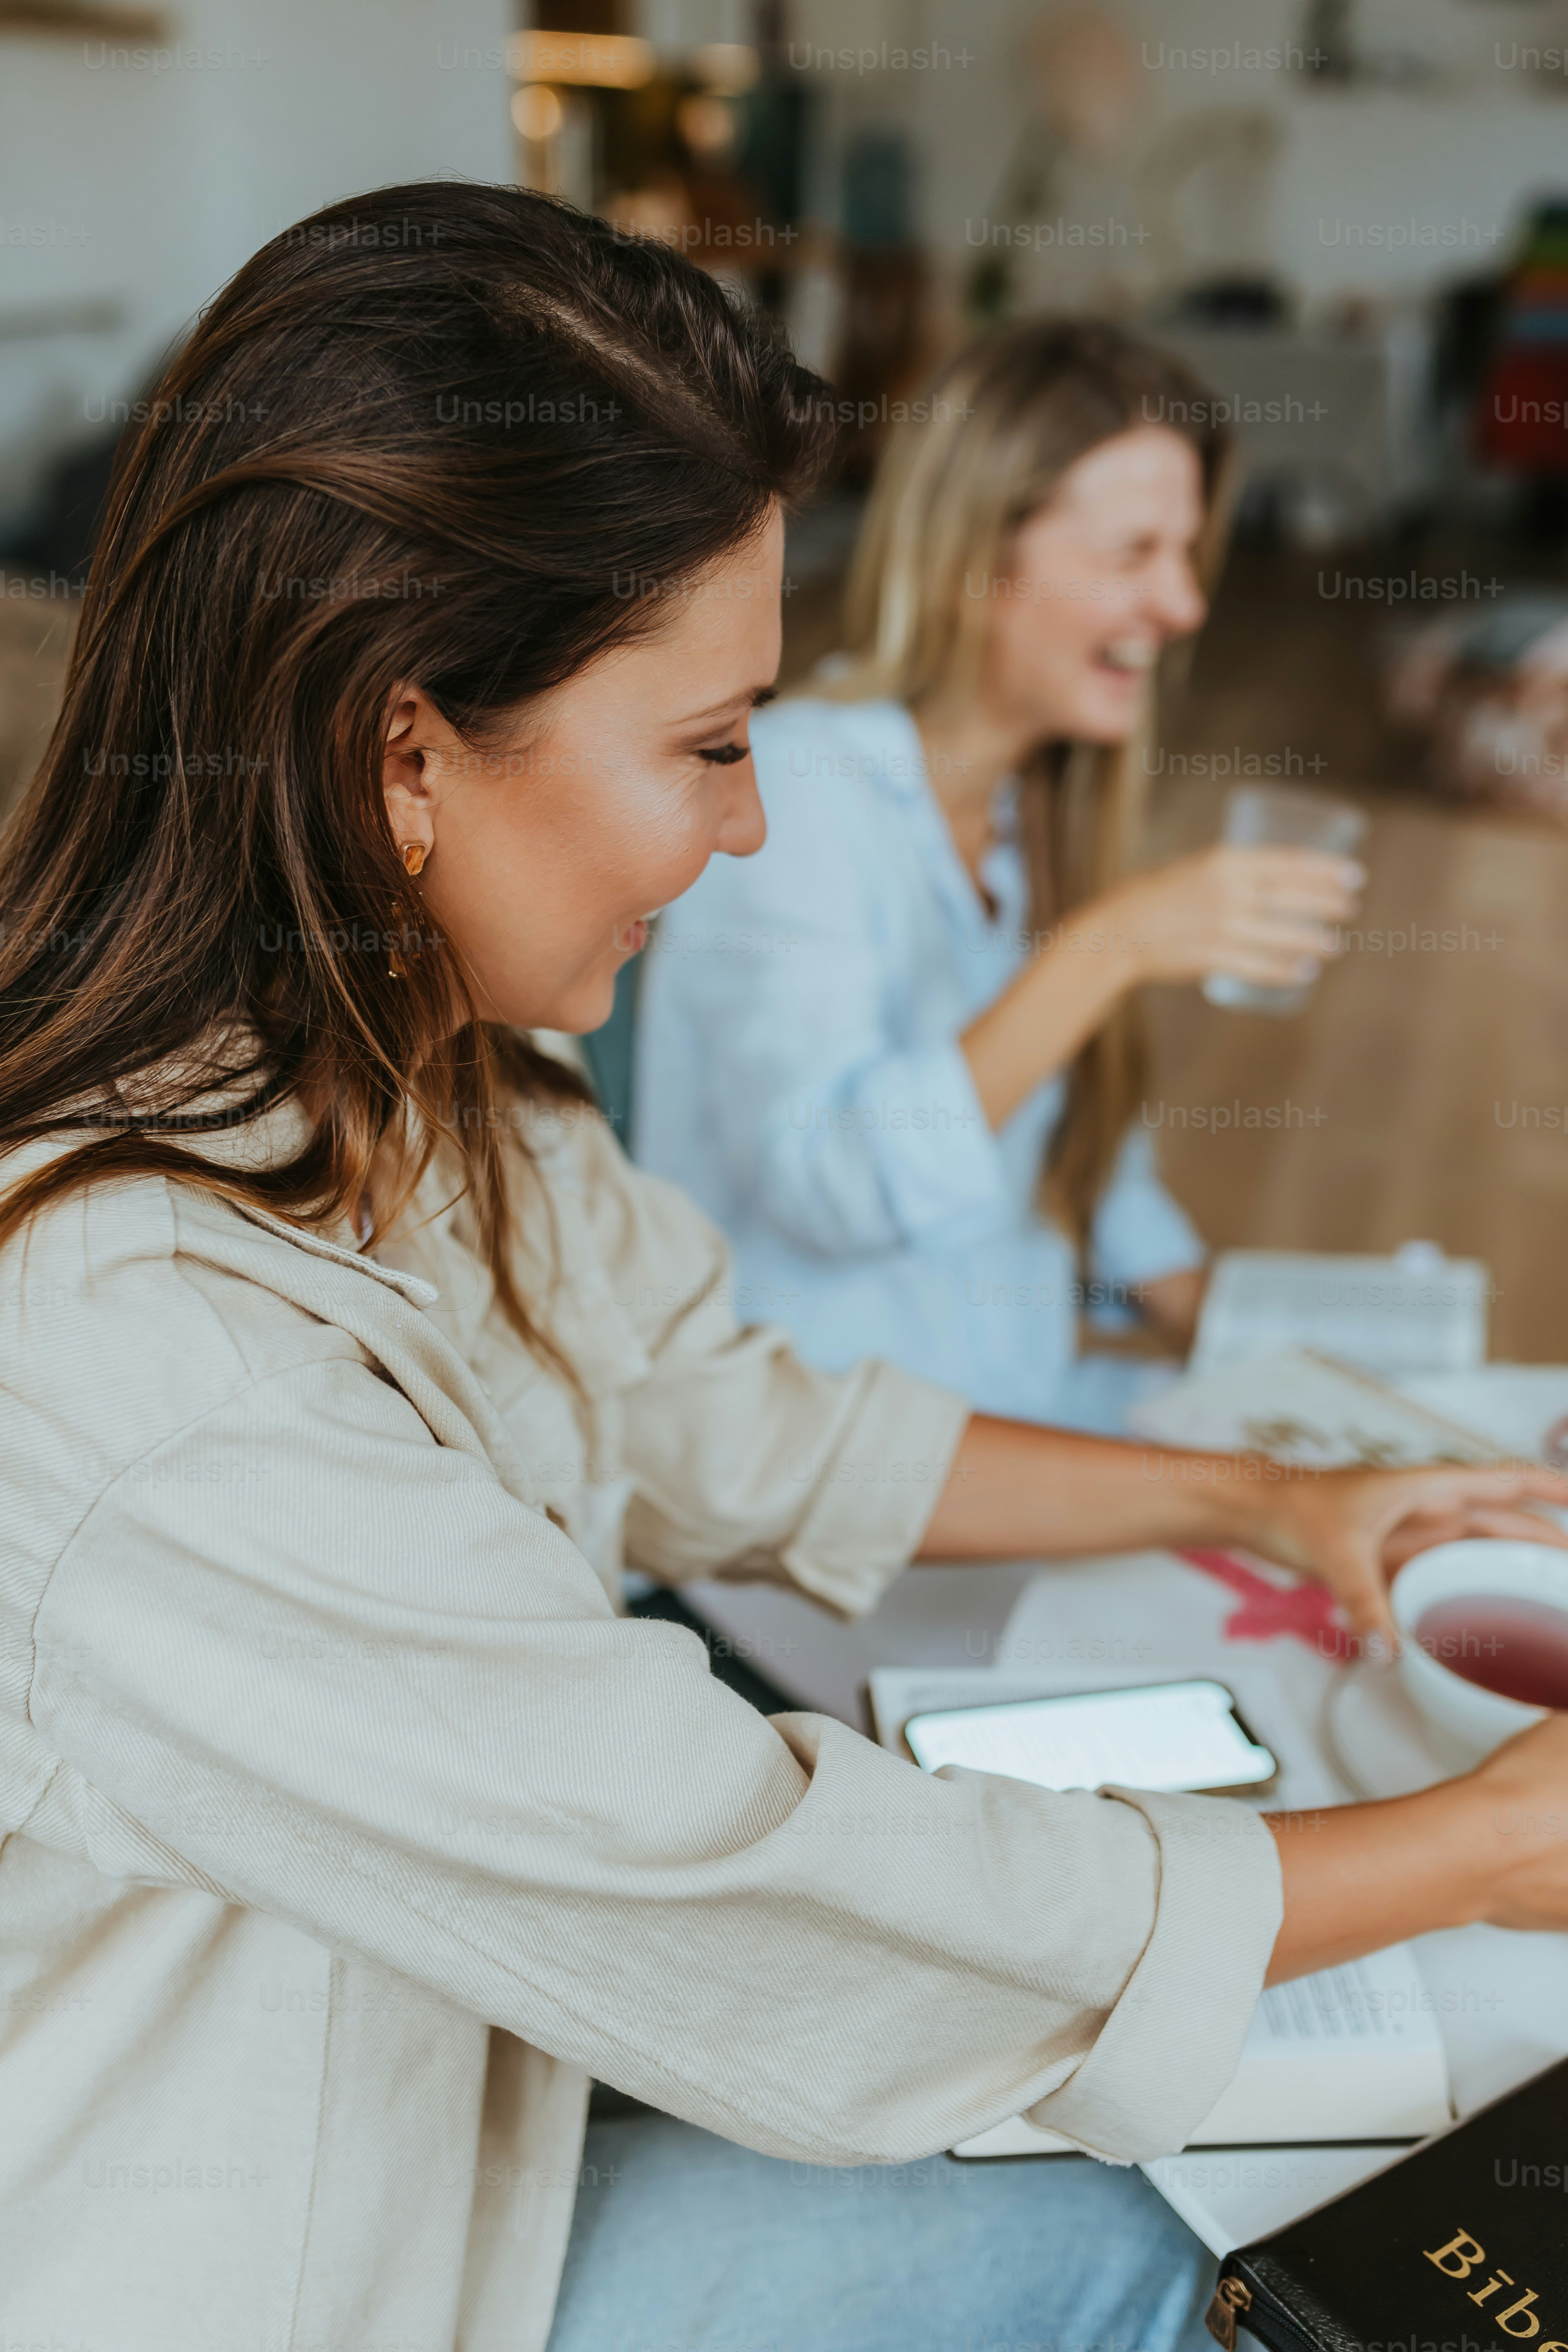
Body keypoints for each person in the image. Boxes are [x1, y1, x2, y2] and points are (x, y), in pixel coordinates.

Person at [3, 184, 1568, 2352]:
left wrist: (1270, 1495)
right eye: (708, 746)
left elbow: (747, 1425)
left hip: (489, 2134)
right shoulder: (139, 1363)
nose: (743, 828)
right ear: (401, 753)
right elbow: (735, 1874)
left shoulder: (438, 1095)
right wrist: (1469, 1851)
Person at [635, 319, 1365, 1434]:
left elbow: (1093, 1180)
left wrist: (1286, 1371)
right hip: (820, 1467)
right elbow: (836, 1186)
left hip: (1012, 1406)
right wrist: (1107, 950)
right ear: (978, 563)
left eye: (1187, 555)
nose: (1184, 606)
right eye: (1135, 555)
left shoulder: (1040, 812)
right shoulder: (796, 793)